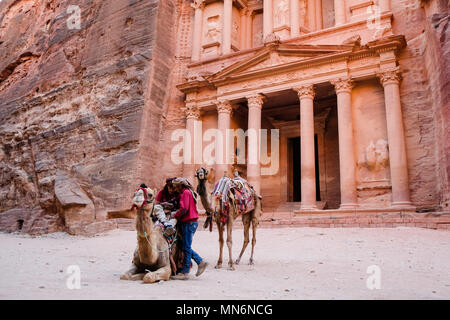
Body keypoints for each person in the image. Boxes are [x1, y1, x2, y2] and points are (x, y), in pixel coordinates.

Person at [170, 177, 208, 280]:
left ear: (180, 185)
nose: (175, 188)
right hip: (191, 222)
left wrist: (175, 215)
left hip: (188, 223)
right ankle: (200, 262)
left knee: (186, 247)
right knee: (184, 246)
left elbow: (184, 208)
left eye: (176, 186)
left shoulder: (185, 192)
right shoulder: (189, 192)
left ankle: (185, 272)